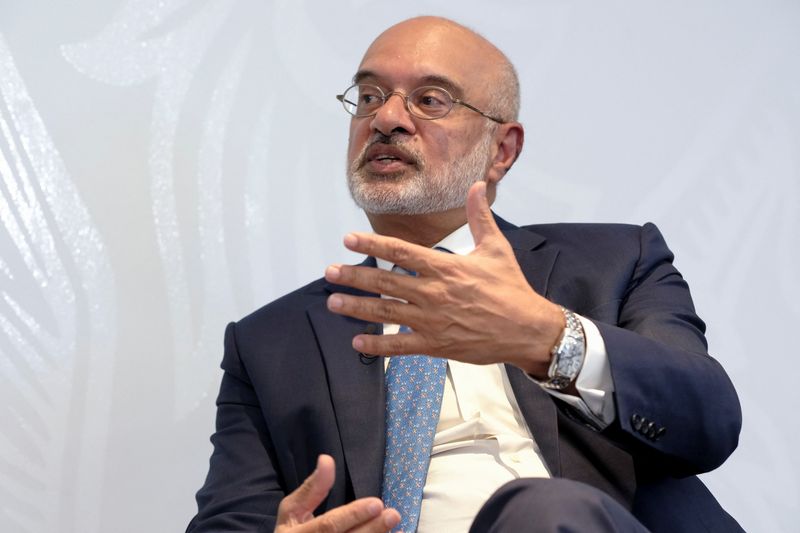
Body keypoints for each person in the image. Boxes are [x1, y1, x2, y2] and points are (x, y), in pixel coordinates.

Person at [187, 16, 743, 533]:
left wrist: (547, 339)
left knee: (543, 511)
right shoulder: (268, 343)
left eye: (430, 100)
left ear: (501, 150)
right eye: (370, 96)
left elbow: (707, 422)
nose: (386, 118)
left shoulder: (617, 261)